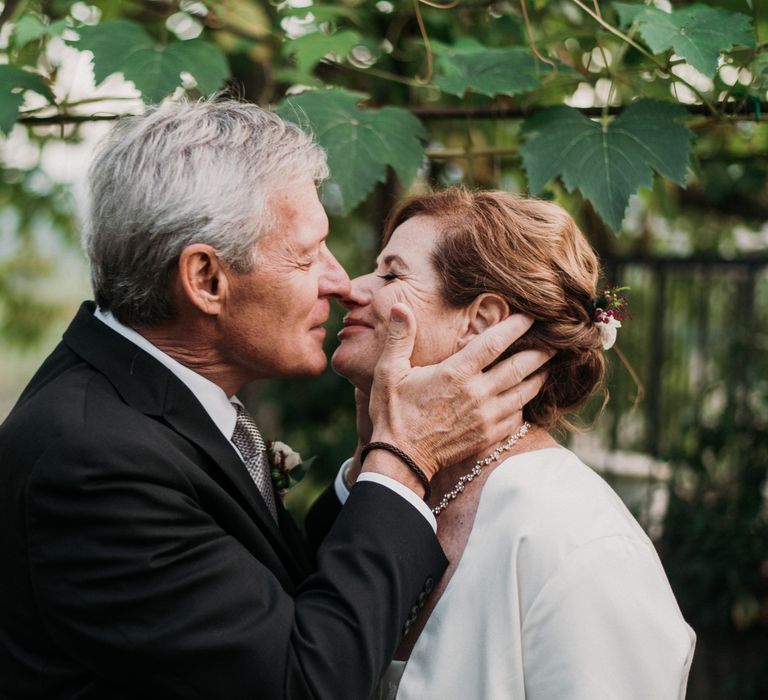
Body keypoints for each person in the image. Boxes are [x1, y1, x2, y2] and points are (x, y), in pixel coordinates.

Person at [0, 103, 550, 699]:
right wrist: (404, 459)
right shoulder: (92, 461)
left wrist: (370, 464)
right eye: (308, 254)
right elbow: (302, 684)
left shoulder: (154, 402)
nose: (339, 282)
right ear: (207, 279)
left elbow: (261, 600)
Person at [332, 189, 696, 699]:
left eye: (392, 274)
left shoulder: (576, 540)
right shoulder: (387, 489)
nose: (350, 288)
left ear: (479, 321)